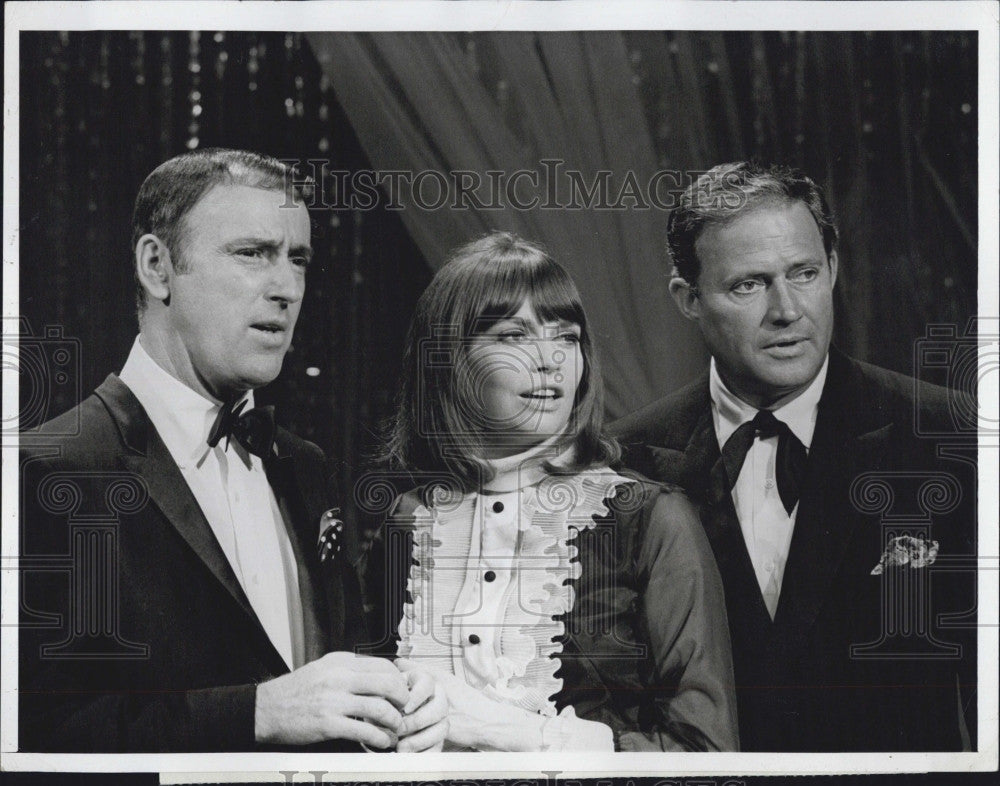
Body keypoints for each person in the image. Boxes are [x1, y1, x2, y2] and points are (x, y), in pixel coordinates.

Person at [18, 149, 446, 752]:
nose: (286, 288)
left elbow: (329, 677)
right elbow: (30, 736)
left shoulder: (304, 466)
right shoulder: (50, 468)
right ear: (157, 266)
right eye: (252, 254)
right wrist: (257, 713)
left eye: (298, 260)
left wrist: (398, 697)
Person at [612, 162, 977, 751]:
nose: (787, 310)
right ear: (688, 298)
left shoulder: (950, 436)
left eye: (804, 273)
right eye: (748, 284)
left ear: (833, 267)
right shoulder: (626, 463)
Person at [359, 231, 738, 752]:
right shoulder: (408, 523)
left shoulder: (649, 518)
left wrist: (514, 733)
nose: (549, 359)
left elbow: (706, 753)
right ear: (450, 360)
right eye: (513, 336)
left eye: (565, 336)